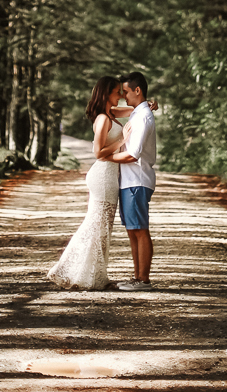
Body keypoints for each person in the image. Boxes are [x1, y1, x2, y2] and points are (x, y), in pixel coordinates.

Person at [47, 76, 127, 290]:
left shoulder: (111, 114)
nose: (120, 95)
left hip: (109, 175)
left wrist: (147, 105)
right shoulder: (103, 118)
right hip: (103, 176)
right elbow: (98, 152)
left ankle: (94, 275)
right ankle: (75, 272)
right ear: (106, 94)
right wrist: (122, 139)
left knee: (101, 227)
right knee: (97, 226)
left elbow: (130, 110)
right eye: (117, 92)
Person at [109, 71, 156, 292]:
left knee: (140, 230)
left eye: (126, 92)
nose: (123, 96)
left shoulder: (143, 116)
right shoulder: (139, 112)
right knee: (133, 230)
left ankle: (143, 280)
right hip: (129, 181)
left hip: (137, 179)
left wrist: (106, 157)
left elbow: (133, 154)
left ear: (138, 90)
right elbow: (111, 110)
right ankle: (137, 277)